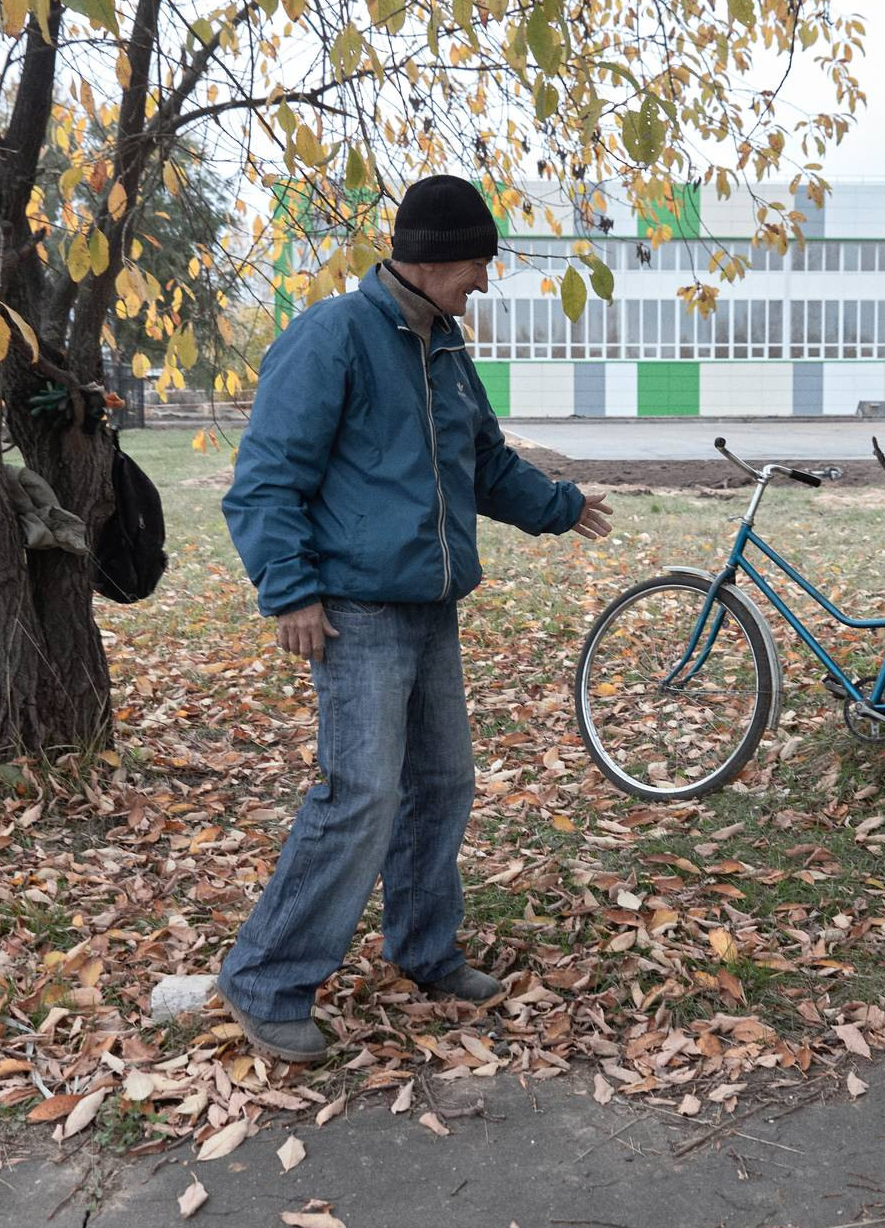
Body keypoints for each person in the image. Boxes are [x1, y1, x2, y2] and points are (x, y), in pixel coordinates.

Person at [218, 174, 613, 1063]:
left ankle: (424, 951)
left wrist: (559, 506)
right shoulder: (333, 337)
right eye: (477, 263)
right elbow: (266, 478)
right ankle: (266, 979)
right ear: (435, 258)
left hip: (431, 609)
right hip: (355, 613)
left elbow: (484, 464)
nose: (483, 280)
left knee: (442, 785)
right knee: (360, 795)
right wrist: (290, 590)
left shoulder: (444, 346)